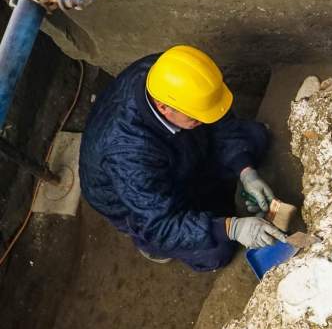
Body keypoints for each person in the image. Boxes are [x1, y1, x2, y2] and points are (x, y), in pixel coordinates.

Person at [80, 45, 285, 271]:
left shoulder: (169, 75)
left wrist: (245, 170)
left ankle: (212, 195)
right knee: (215, 253)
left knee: (254, 138)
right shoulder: (127, 153)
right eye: (197, 118)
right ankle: (149, 245)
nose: (204, 120)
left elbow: (220, 121)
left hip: (179, 150)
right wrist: (232, 228)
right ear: (164, 108)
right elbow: (160, 223)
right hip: (138, 198)